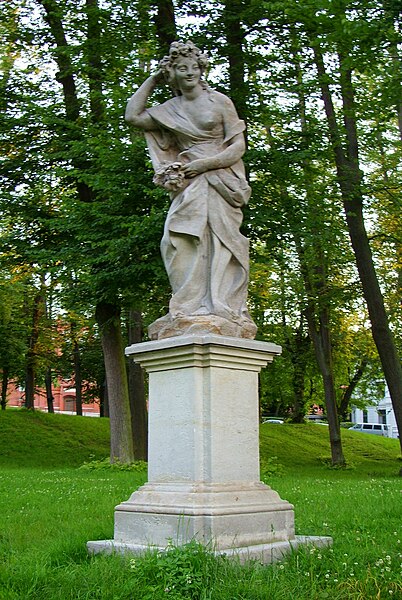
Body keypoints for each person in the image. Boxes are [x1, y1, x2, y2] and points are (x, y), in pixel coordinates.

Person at [125, 40, 256, 340]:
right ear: (172, 73)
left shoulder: (220, 102)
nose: (188, 73)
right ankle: (188, 306)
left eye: (193, 67)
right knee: (175, 239)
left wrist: (206, 164)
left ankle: (220, 306)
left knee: (222, 240)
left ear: (201, 69)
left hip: (221, 177)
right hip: (190, 181)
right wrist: (154, 78)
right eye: (180, 68)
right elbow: (133, 115)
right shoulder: (170, 109)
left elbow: (238, 145)